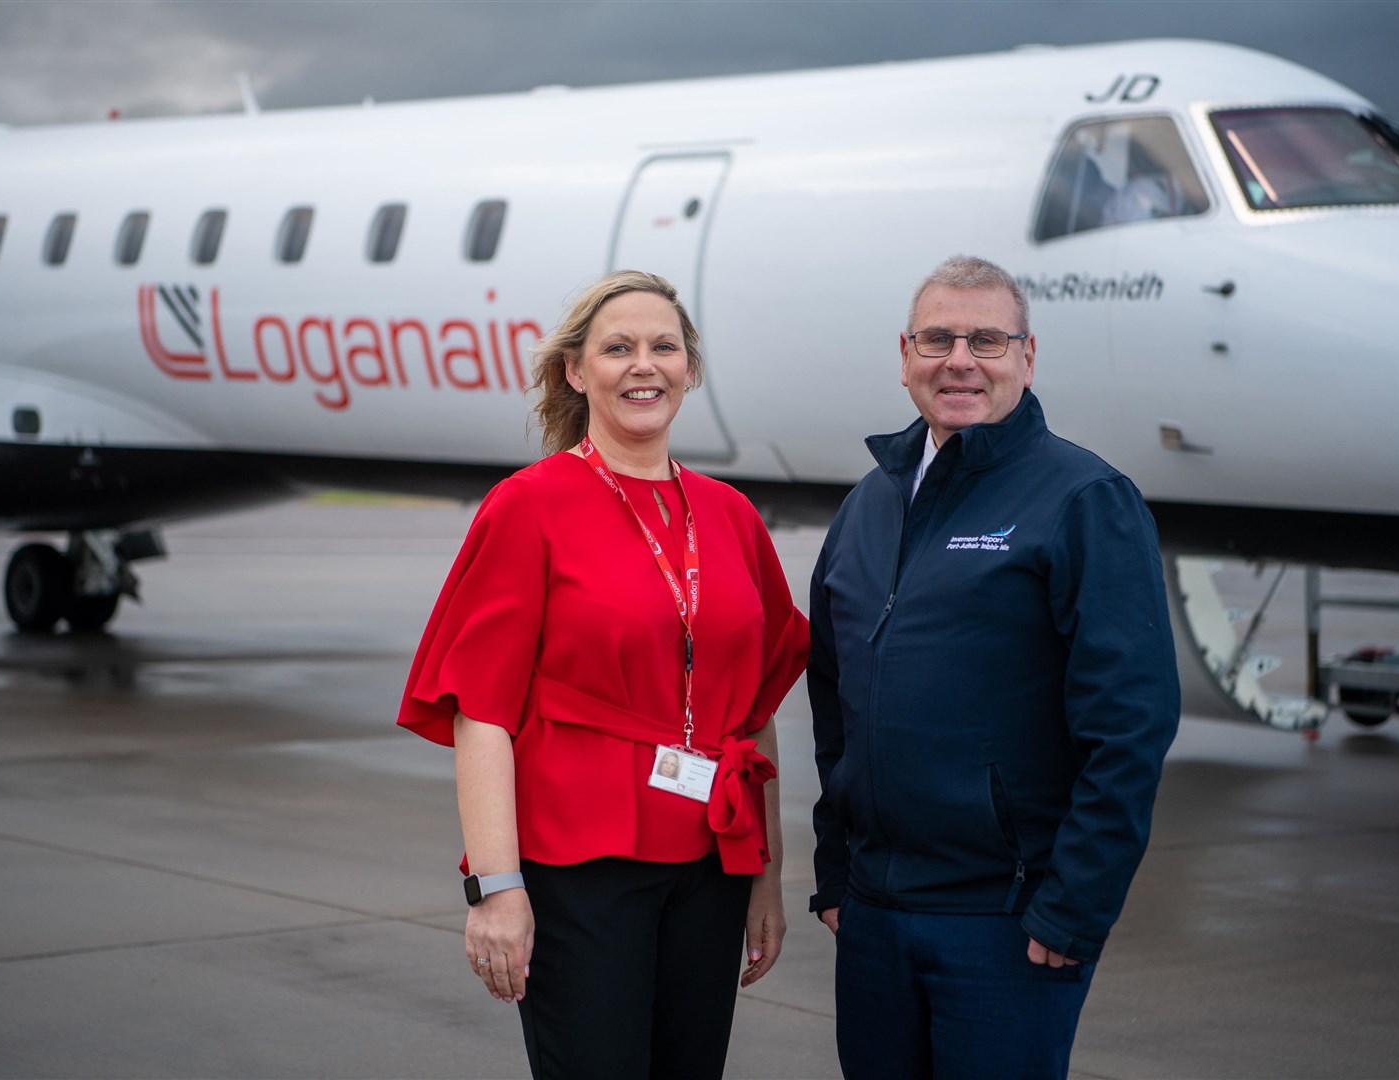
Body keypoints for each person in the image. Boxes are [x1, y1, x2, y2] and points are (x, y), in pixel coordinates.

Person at [398, 269, 809, 1080]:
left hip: (711, 868)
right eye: (617, 348)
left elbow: (754, 710)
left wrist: (767, 875)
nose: (642, 365)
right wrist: (496, 889)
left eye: (663, 346)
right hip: (580, 870)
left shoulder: (731, 517)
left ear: (689, 369)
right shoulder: (529, 506)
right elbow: (482, 715)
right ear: (576, 372)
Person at [808, 254, 1180, 1079]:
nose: (960, 360)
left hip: (1006, 921)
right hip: (873, 914)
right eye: (938, 339)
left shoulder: (1084, 499)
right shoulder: (869, 502)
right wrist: (837, 870)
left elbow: (1130, 725)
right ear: (905, 354)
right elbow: (835, 700)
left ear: (1027, 356)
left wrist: (1074, 906)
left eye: (987, 339)